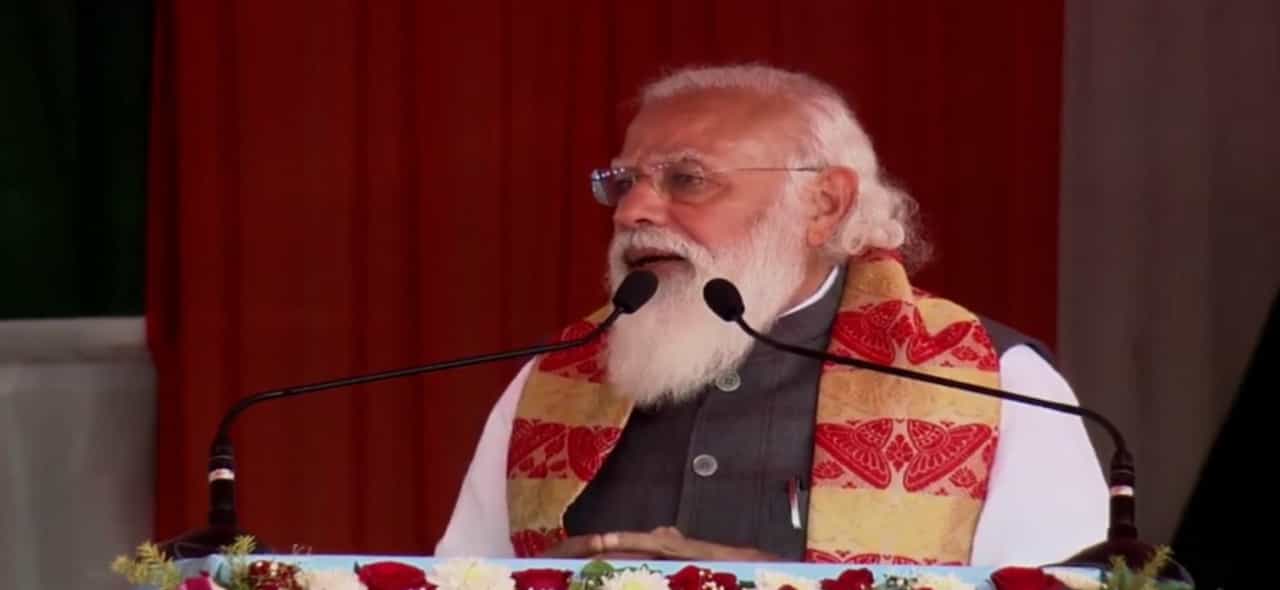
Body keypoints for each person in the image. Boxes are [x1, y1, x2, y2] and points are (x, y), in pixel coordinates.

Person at [434, 64, 1107, 566]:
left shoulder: (991, 383)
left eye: (686, 179)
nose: (633, 211)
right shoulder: (554, 378)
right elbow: (461, 577)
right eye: (625, 182)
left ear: (823, 205)